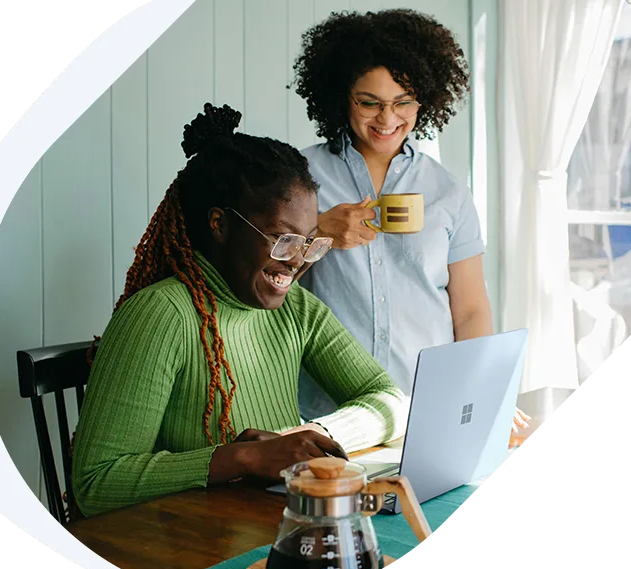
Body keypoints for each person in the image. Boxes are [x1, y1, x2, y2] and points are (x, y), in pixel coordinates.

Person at [71, 103, 407, 517]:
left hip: (268, 522)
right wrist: (243, 458)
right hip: (188, 541)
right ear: (220, 224)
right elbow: (95, 483)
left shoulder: (296, 308)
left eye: (309, 242)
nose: (297, 260)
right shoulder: (162, 315)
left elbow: (389, 400)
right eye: (283, 239)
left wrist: (308, 435)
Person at [290, 9, 531, 442]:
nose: (387, 119)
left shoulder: (448, 191)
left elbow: (470, 310)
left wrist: (484, 392)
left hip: (429, 408)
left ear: (425, 100)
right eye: (369, 102)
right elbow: (255, 286)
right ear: (342, 96)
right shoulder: (297, 178)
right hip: (327, 413)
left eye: (403, 102)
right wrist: (318, 234)